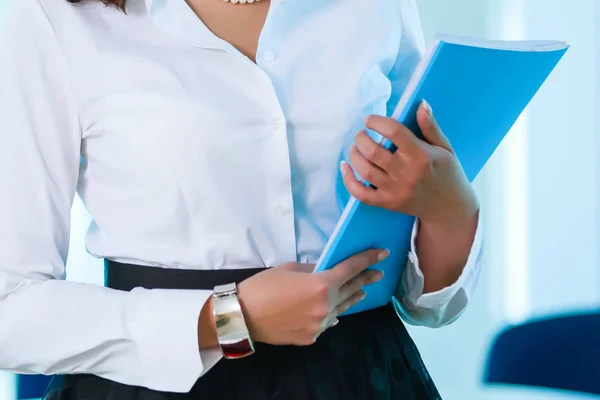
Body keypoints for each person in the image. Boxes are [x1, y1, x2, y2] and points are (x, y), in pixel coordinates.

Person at [0, 0, 483, 399]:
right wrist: (229, 319)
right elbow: (10, 309)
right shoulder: (51, 15)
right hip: (157, 387)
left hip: (366, 377)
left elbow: (426, 304)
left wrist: (452, 212)